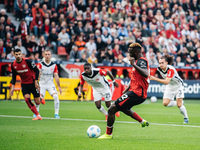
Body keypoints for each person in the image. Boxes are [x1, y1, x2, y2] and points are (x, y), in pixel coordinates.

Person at [98, 43, 150, 139]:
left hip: (137, 93)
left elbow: (146, 74)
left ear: (136, 52)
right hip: (135, 92)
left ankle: (108, 134)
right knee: (124, 108)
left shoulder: (141, 61)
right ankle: (142, 121)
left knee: (111, 109)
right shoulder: (137, 61)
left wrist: (133, 64)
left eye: (130, 51)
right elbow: (135, 78)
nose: (129, 53)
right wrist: (127, 89)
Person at [149, 54, 189, 124]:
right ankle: (178, 103)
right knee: (165, 103)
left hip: (178, 85)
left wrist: (154, 78)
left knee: (180, 105)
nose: (161, 65)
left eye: (162, 63)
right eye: (160, 63)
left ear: (166, 63)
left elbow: (166, 81)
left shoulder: (171, 69)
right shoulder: (159, 68)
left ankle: (186, 118)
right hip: (170, 86)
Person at [10, 49, 45, 120]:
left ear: (22, 54)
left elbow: (36, 70)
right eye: (16, 54)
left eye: (19, 54)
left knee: (37, 102)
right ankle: (38, 115)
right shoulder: (13, 65)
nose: (18, 56)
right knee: (27, 100)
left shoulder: (28, 61)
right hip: (24, 84)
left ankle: (40, 99)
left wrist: (36, 81)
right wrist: (13, 87)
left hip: (32, 83)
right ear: (14, 55)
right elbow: (14, 76)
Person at [36, 50, 62, 119]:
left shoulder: (54, 65)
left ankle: (56, 114)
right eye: (46, 54)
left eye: (48, 54)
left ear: (50, 55)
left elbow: (56, 76)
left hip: (50, 84)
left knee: (56, 97)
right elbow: (37, 72)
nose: (47, 56)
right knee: (38, 98)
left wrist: (59, 87)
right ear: (44, 55)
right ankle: (37, 113)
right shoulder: (40, 64)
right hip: (42, 84)